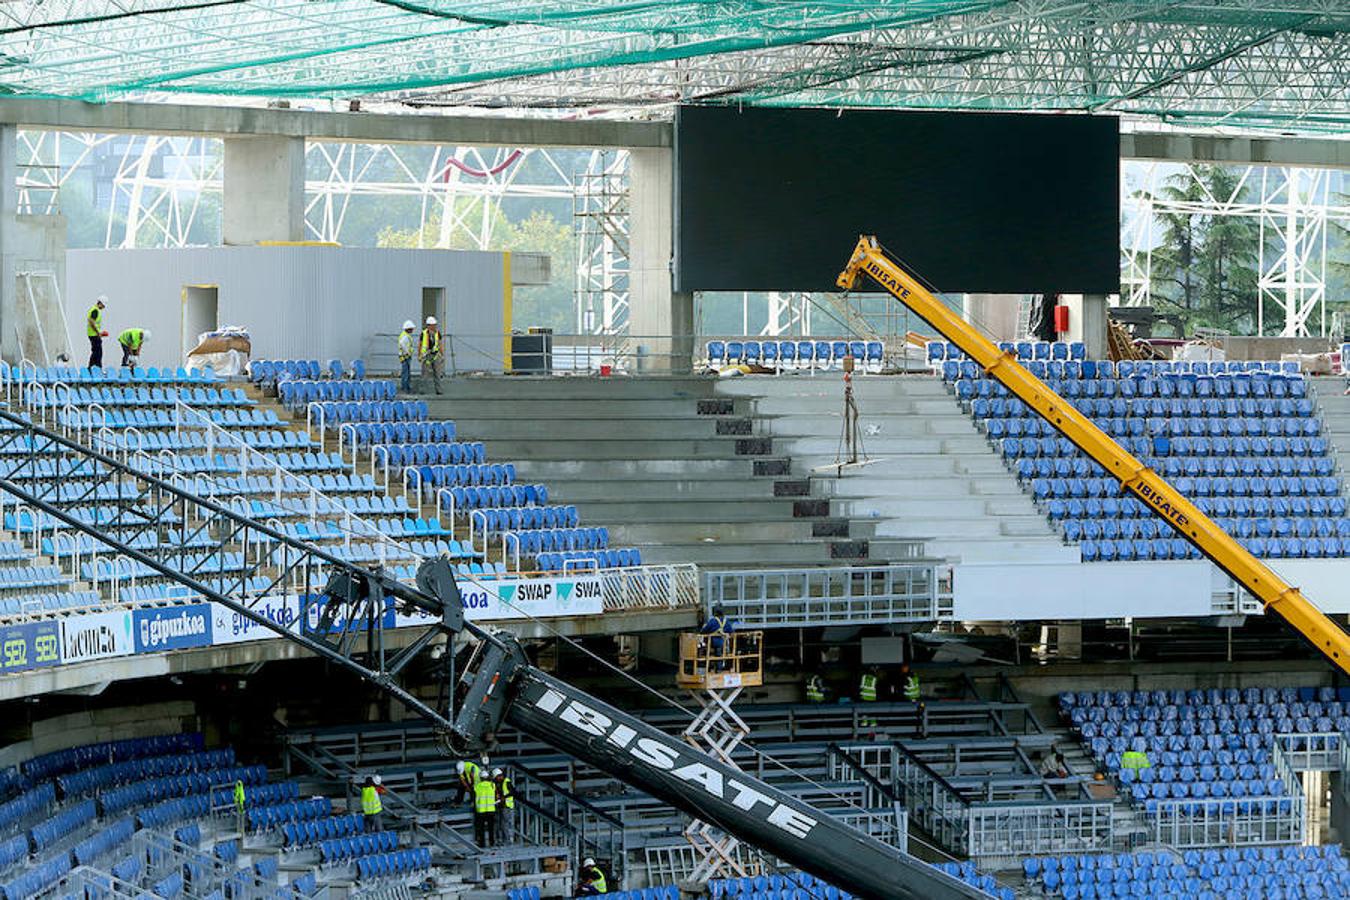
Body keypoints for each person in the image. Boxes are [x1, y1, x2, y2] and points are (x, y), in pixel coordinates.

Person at [472, 769, 497, 847]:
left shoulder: (477, 786)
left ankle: (482, 844)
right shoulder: (493, 785)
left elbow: (474, 795)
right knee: (491, 828)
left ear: (481, 778)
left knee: (481, 828)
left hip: (481, 811)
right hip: (491, 810)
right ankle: (492, 842)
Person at [419, 316, 443, 395]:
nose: (434, 326)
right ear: (428, 325)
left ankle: (438, 390)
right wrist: (419, 355)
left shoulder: (437, 333)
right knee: (425, 374)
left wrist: (442, 355)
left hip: (435, 355)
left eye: (435, 325)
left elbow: (440, 344)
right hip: (426, 356)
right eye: (433, 325)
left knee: (437, 373)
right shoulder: (423, 333)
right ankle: (422, 390)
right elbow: (420, 344)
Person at [493, 767, 515, 845]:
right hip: (500, 805)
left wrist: (504, 797)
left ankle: (507, 840)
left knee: (504, 824)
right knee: (499, 824)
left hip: (506, 806)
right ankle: (500, 840)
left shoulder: (507, 782)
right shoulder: (497, 783)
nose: (497, 779)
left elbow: (513, 792)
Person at [86, 296, 108, 369]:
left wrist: (99, 332)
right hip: (94, 334)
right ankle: (97, 367)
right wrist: (98, 332)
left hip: (93, 334)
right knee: (98, 352)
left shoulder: (95, 310)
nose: (104, 307)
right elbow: (92, 322)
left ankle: (92, 367)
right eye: (103, 305)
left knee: (96, 351)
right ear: (100, 303)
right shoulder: (95, 310)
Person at [398, 320, 416, 393]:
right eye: (411, 328)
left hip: (404, 356)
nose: (412, 330)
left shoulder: (404, 335)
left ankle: (406, 387)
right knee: (406, 373)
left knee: (406, 372)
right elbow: (402, 344)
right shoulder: (405, 336)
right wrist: (407, 352)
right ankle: (405, 388)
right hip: (405, 357)